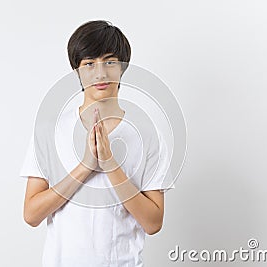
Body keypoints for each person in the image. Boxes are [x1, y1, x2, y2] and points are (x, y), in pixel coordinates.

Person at [20, 20, 174, 267]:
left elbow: (153, 222)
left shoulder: (147, 135)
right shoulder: (51, 130)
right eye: (89, 64)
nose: (100, 73)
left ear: (122, 67)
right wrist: (85, 167)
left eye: (110, 62)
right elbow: (31, 214)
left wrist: (111, 165)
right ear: (77, 71)